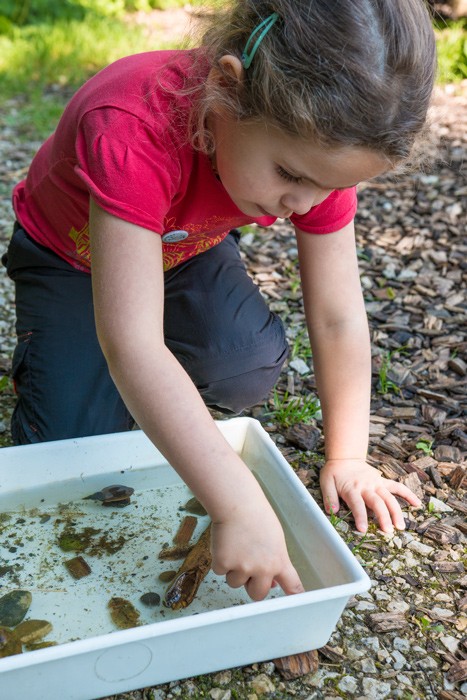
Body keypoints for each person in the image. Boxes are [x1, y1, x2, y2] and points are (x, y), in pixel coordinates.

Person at [3, 0, 436, 602]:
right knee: (70, 453)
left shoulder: (313, 162)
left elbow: (338, 315)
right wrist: (237, 501)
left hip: (182, 247)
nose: (305, 204)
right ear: (226, 90)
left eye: (328, 186)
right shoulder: (131, 125)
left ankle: (143, 394)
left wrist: (350, 455)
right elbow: (131, 342)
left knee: (244, 363)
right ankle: (73, 370)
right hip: (70, 257)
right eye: (289, 174)